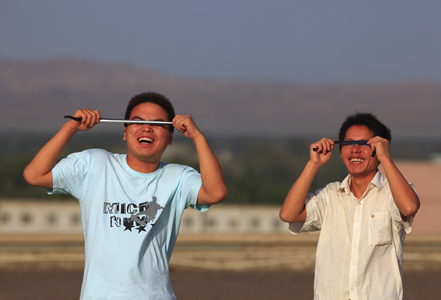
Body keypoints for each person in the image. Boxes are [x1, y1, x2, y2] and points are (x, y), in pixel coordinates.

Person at [23, 92, 228, 300]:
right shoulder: (95, 164)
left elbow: (216, 192)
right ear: (125, 131)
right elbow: (34, 175)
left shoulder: (178, 177)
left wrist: (198, 137)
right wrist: (71, 128)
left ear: (170, 137)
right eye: (137, 122)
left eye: (157, 124)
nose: (147, 128)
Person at [279, 112, 420, 300]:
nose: (355, 150)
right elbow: (288, 214)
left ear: (379, 149)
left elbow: (409, 207)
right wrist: (313, 164)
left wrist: (386, 160)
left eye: (364, 144)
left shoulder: (392, 193)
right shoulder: (330, 195)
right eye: (347, 144)